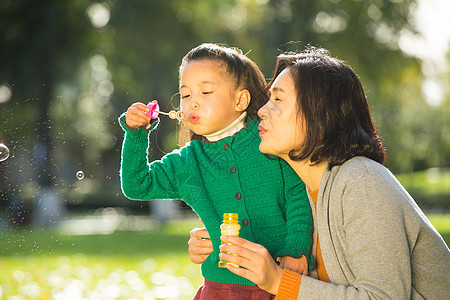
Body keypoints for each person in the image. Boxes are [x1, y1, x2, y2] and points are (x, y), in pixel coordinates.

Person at [189, 46, 450, 299]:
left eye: (278, 99)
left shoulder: (363, 183)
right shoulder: (301, 196)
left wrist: (277, 280)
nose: (261, 111)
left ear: (319, 115)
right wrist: (217, 241)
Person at [119, 43, 314, 299]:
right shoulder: (187, 162)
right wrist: (136, 135)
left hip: (278, 281)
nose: (193, 104)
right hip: (221, 291)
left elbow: (297, 193)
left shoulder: (269, 139)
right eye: (186, 95)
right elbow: (136, 184)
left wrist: (296, 249)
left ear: (240, 100)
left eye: (206, 91)